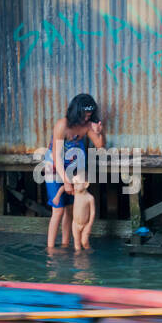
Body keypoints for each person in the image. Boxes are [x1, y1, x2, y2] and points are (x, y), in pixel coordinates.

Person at [46, 93, 105, 248]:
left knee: (70, 211)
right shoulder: (62, 125)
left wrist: (99, 132)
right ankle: (50, 249)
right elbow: (56, 156)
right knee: (58, 210)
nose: (87, 118)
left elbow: (100, 145)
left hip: (73, 166)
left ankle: (65, 245)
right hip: (54, 166)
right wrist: (65, 181)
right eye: (84, 115)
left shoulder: (87, 125)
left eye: (90, 115)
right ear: (76, 111)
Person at [53, 173, 96, 250]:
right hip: (75, 224)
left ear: (86, 184)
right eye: (74, 184)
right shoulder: (75, 192)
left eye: (77, 184)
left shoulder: (90, 198)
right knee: (76, 244)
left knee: (84, 242)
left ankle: (88, 255)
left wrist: (89, 225)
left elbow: (92, 213)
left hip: (85, 225)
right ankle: (78, 261)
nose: (75, 186)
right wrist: (57, 196)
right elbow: (63, 187)